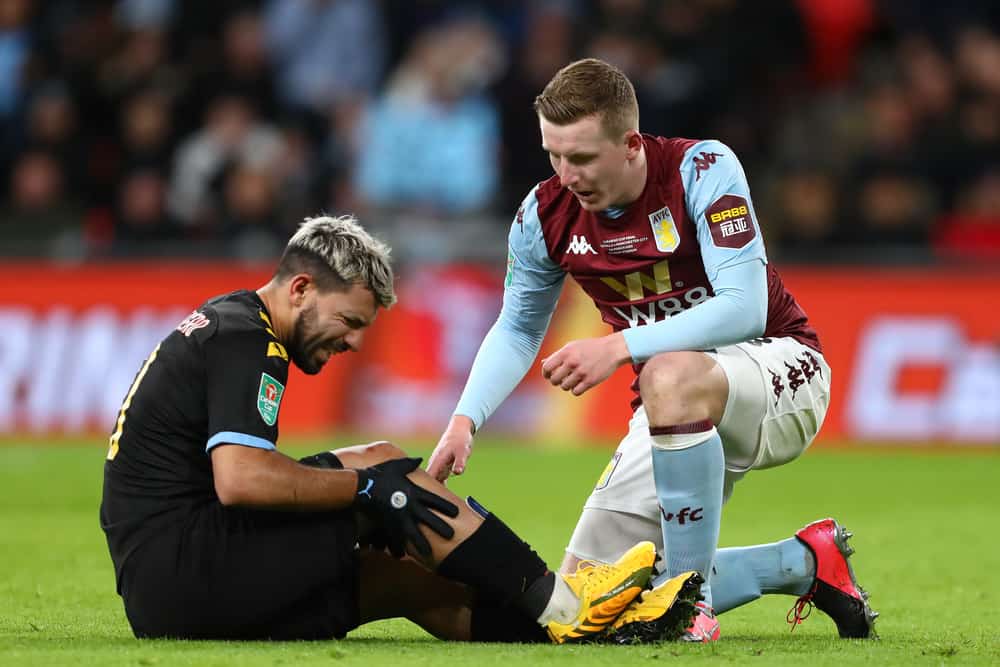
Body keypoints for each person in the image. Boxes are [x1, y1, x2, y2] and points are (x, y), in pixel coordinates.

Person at [427, 59, 878, 641]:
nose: (566, 174)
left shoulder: (702, 168)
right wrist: (465, 420)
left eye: (583, 157)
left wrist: (616, 346)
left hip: (778, 370)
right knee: (580, 602)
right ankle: (804, 563)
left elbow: (744, 306)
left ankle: (691, 611)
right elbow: (516, 328)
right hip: (672, 410)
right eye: (553, 155)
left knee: (666, 374)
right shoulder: (543, 215)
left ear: (631, 144)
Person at [99, 214, 699, 643]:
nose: (356, 342)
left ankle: (594, 633)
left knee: (401, 564)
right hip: (189, 571)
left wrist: (372, 482)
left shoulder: (234, 320)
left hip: (170, 578)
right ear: (302, 288)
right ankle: (566, 602)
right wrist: (370, 492)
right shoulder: (245, 340)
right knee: (392, 483)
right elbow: (240, 479)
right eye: (349, 321)